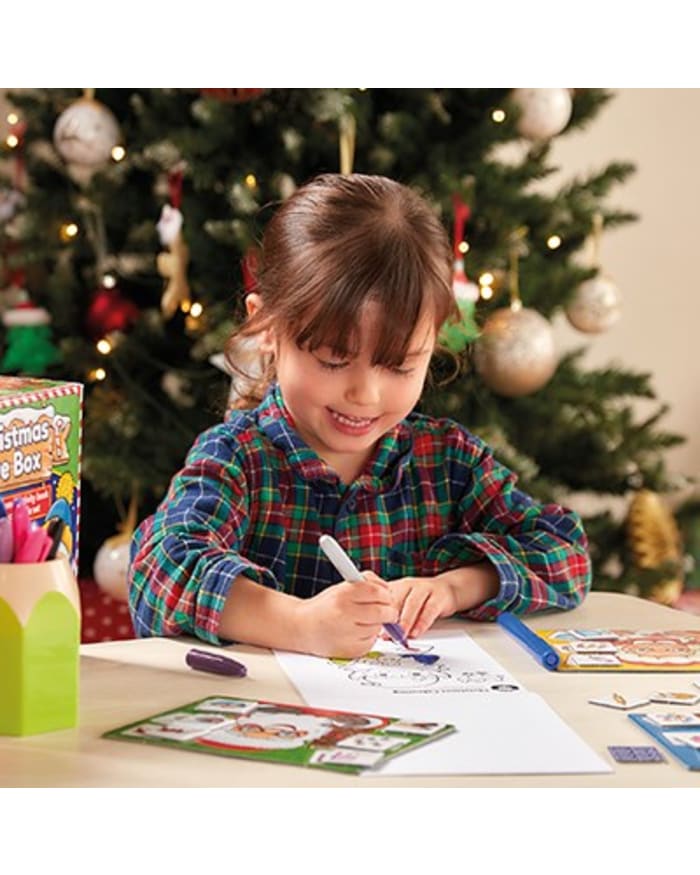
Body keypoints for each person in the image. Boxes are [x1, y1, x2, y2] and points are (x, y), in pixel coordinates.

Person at [128, 173, 591, 658]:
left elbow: (566, 552)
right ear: (266, 327)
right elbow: (158, 571)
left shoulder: (449, 462)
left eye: (399, 366)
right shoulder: (236, 459)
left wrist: (459, 586)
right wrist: (298, 624)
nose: (364, 395)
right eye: (332, 360)